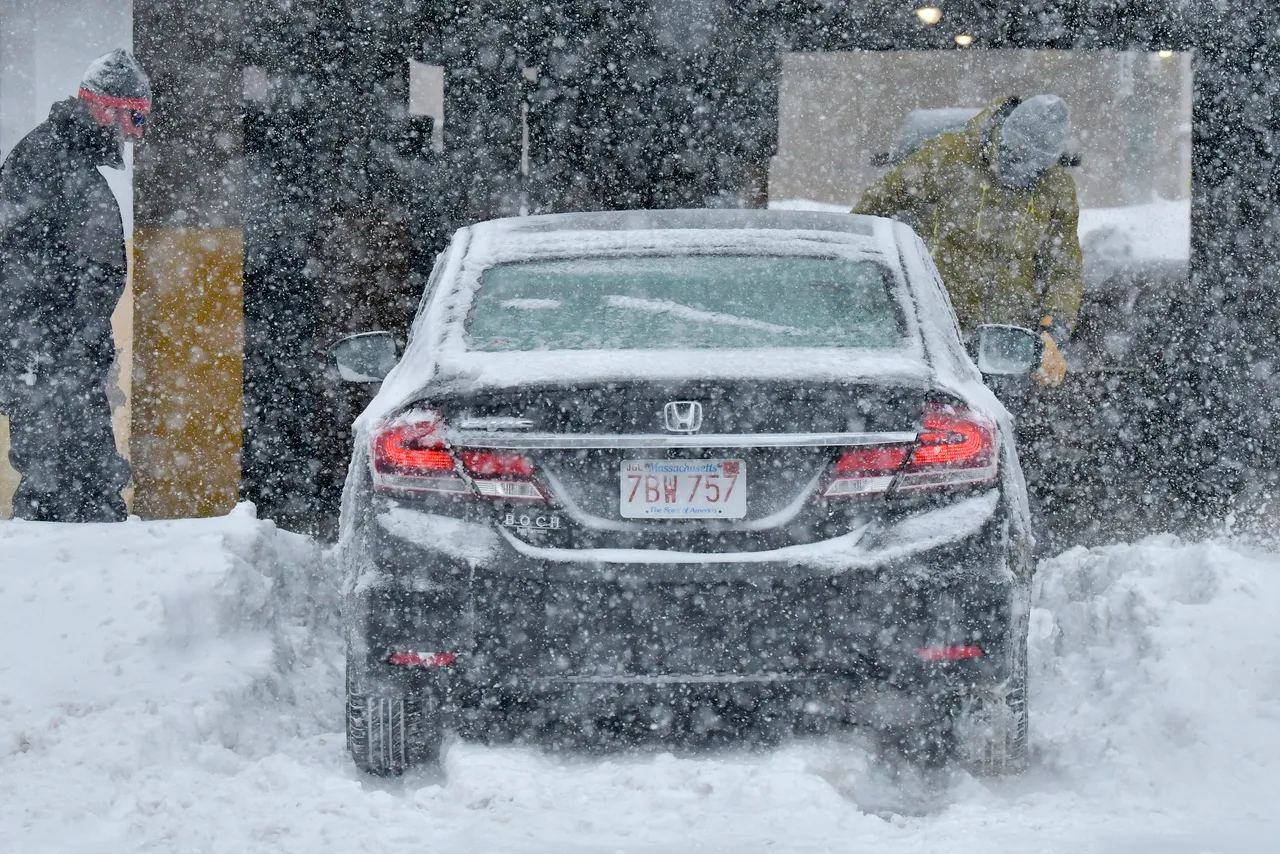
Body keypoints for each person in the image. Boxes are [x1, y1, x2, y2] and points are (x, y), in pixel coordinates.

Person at [0, 49, 150, 521]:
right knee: (56, 480)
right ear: (106, 108)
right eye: (134, 118)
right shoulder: (52, 162)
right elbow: (22, 265)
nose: (134, 133)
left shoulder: (64, 160)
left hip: (59, 352)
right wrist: (55, 341)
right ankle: (57, 576)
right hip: (47, 353)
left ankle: (85, 562)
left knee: (82, 474)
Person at [854, 95, 1083, 387]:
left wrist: (1054, 332)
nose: (1022, 170)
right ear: (1006, 135)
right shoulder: (950, 156)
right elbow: (874, 209)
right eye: (1017, 154)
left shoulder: (1056, 188)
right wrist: (864, 283)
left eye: (1036, 165)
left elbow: (1064, 268)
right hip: (932, 330)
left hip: (1005, 345)